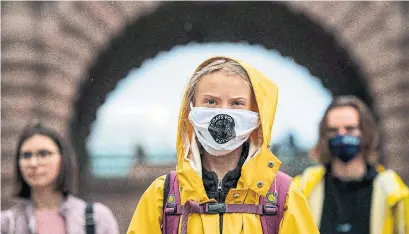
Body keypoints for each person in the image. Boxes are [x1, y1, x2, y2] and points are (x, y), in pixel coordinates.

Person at [127, 57, 319, 233]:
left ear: (257, 114)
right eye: (211, 101)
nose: (223, 113)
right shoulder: (162, 196)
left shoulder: (283, 196)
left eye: (236, 103)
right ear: (191, 108)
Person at [294, 95, 409, 234]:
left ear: (366, 133)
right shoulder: (304, 189)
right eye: (333, 130)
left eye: (350, 129)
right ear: (324, 136)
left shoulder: (393, 192)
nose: (341, 135)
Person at [1, 123, 119, 234]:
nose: (33, 163)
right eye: (26, 155)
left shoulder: (97, 219)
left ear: (63, 159)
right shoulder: (7, 224)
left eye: (43, 154)